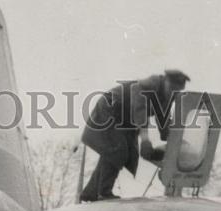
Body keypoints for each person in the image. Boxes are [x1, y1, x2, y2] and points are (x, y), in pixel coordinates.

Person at [80, 69, 190, 202]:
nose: (173, 92)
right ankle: (103, 192)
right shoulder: (146, 86)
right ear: (165, 81)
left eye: (177, 90)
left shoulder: (167, 96)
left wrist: (174, 140)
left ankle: (90, 193)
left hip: (126, 120)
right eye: (172, 88)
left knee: (120, 153)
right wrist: (145, 140)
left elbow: (163, 118)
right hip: (111, 111)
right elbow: (139, 109)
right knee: (117, 150)